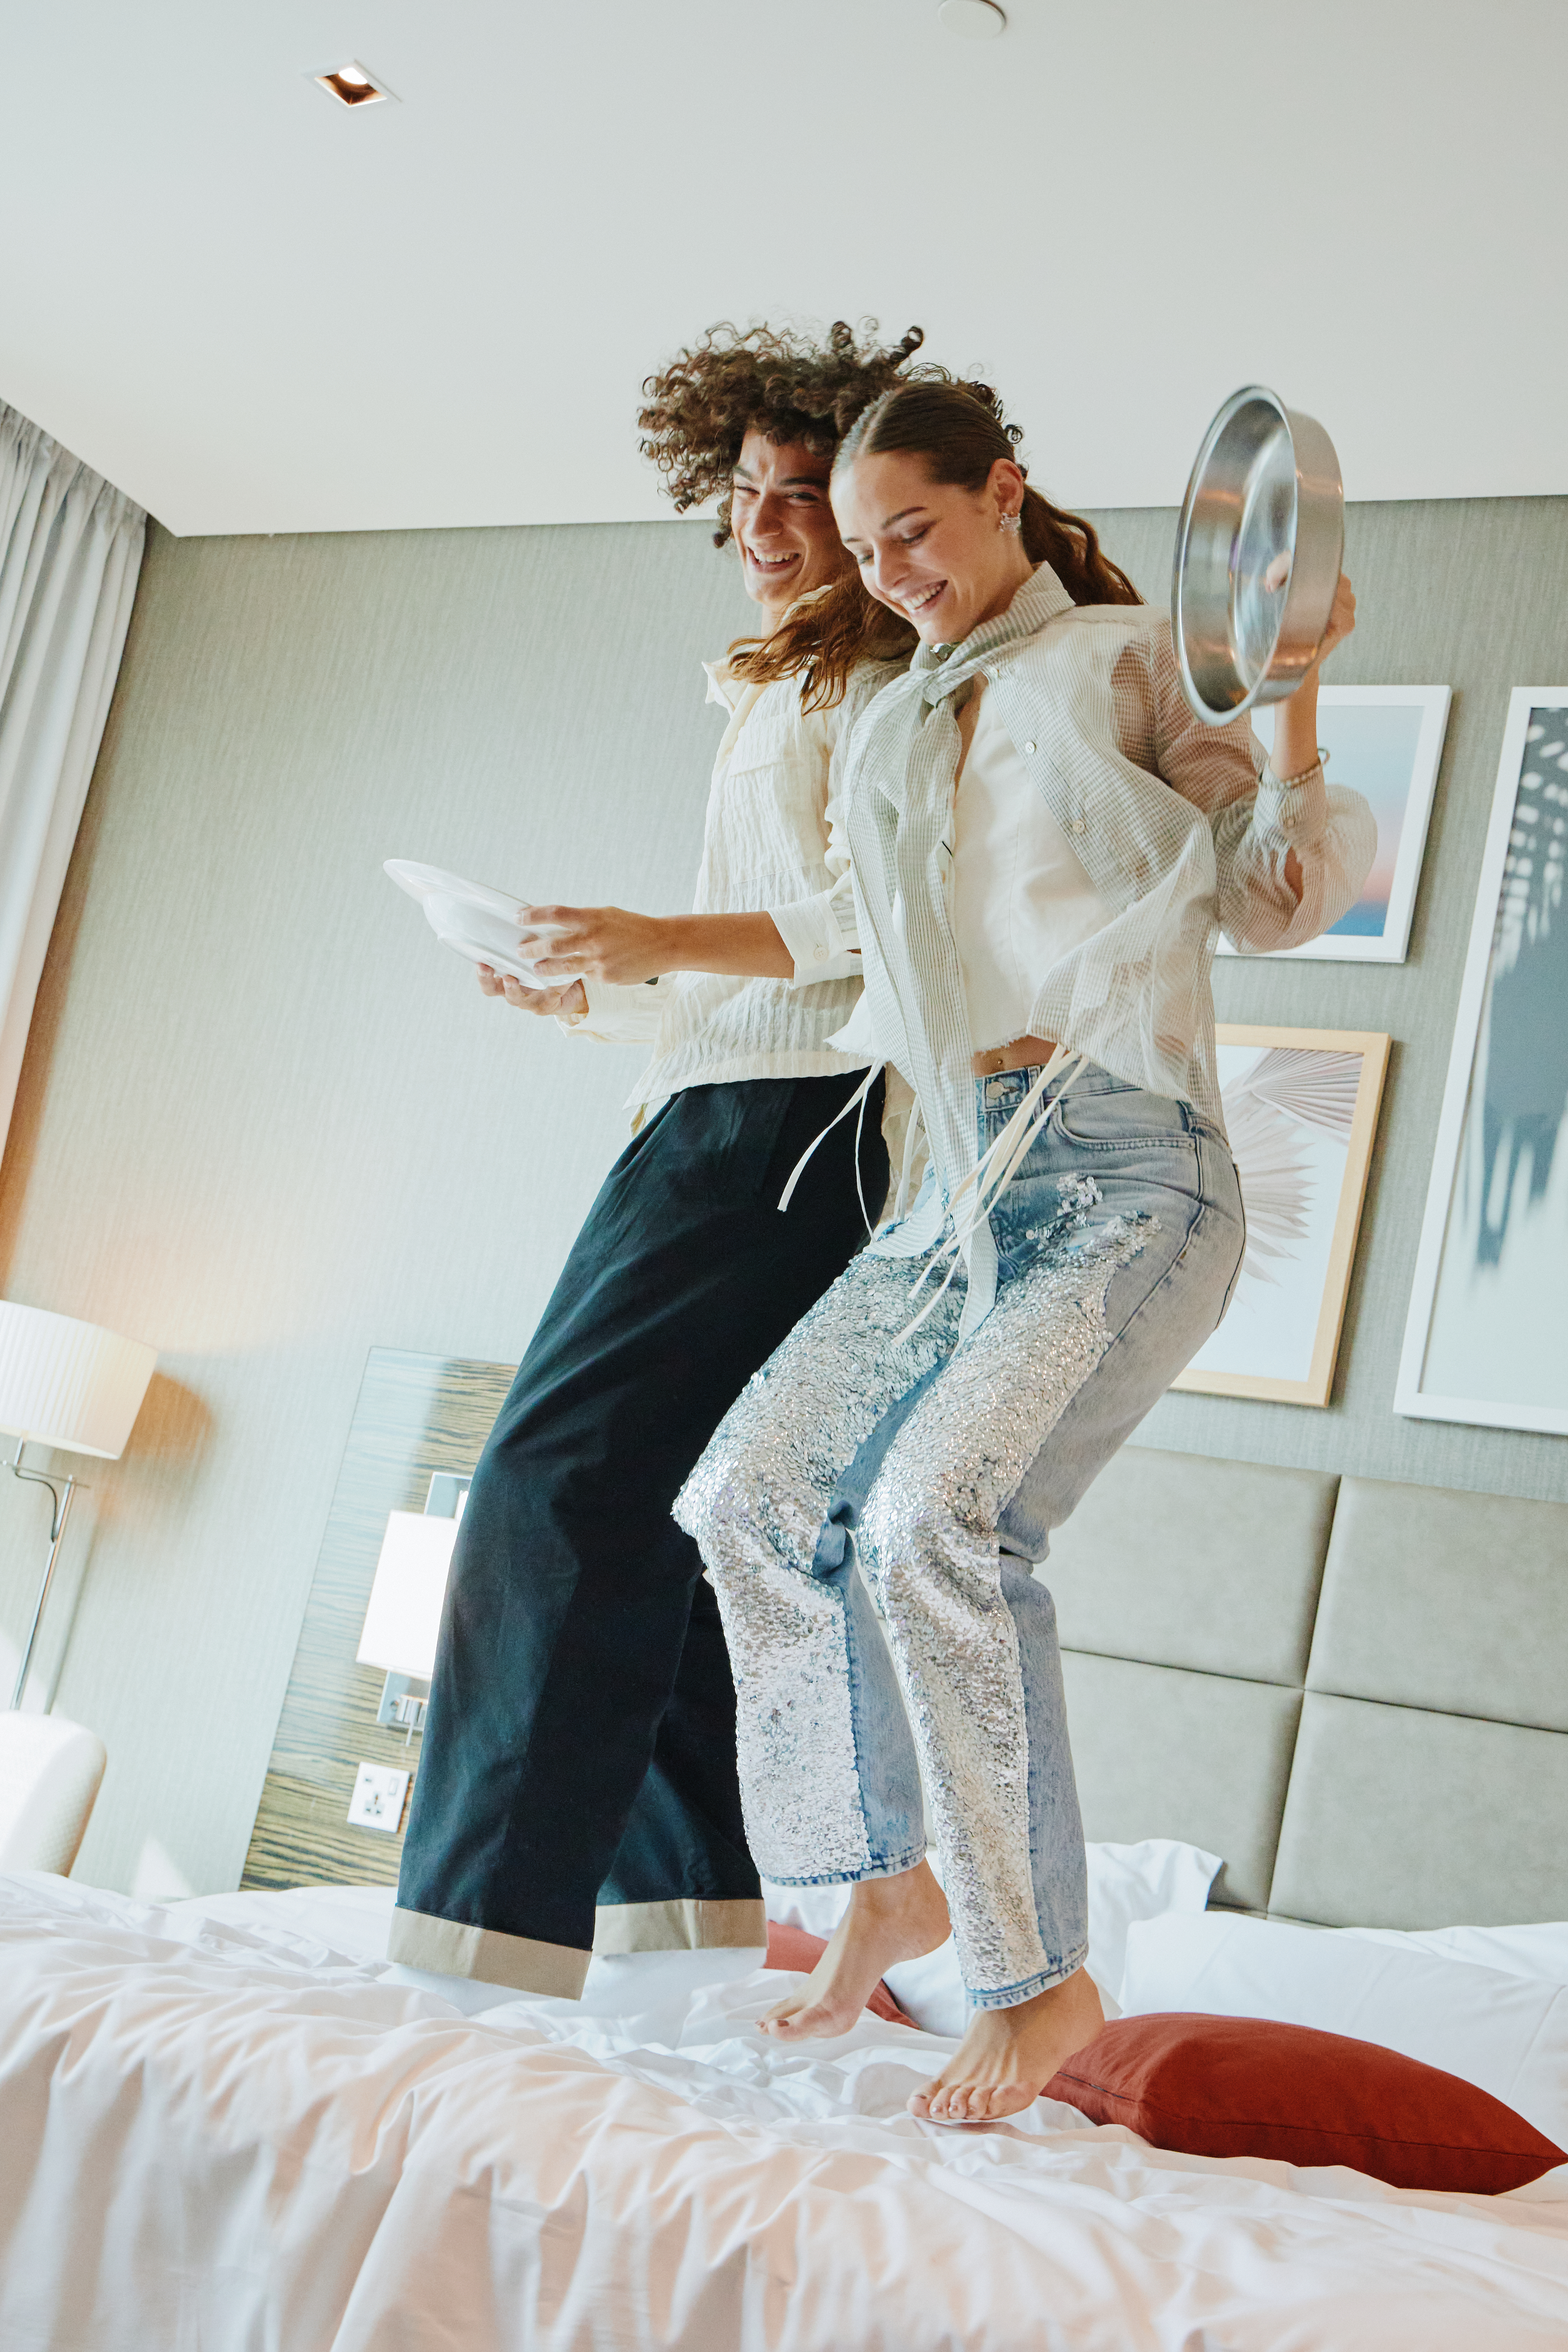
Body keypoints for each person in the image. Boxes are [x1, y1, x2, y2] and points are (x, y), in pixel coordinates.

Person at [676, 380, 1375, 2119]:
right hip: (958, 1189)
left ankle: (1033, 1976)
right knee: (751, 1492)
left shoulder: (1132, 660)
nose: (890, 570)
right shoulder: (898, 722)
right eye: (863, 549)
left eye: (913, 527)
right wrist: (614, 955)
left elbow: (1277, 893)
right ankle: (873, 1877)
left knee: (936, 1517)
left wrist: (1287, 702)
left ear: (1002, 495)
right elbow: (844, 938)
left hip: (1130, 1173)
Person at [391, 322, 938, 1998]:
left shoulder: (874, 687)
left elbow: (874, 928)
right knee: (667, 1520)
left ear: (866, 515)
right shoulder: (785, 682)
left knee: (553, 1484)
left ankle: (480, 1939)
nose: (766, 524)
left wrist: (649, 934)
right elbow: (759, 984)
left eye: (803, 496)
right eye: (744, 495)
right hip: (748, 1106)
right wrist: (588, 990)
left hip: (785, 1124)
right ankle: (676, 1935)